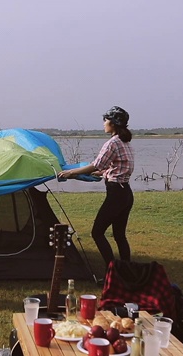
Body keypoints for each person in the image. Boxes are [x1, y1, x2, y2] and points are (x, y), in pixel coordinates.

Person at [57, 106, 135, 275]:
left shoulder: (112, 143)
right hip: (126, 193)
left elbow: (96, 164)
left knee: (97, 232)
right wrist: (99, 173)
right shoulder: (125, 142)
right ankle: (126, 271)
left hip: (116, 194)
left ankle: (111, 272)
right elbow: (118, 168)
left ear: (113, 123)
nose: (104, 123)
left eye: (106, 120)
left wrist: (71, 172)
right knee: (119, 235)